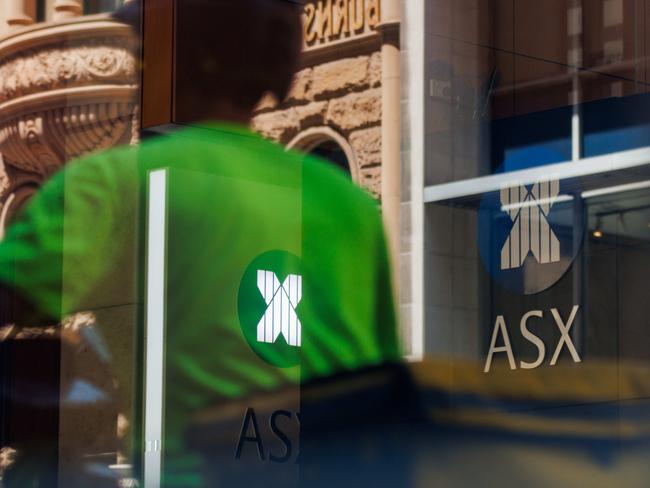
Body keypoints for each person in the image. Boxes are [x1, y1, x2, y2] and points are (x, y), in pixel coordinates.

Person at [0, 0, 403, 486]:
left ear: (182, 57)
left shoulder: (113, 182)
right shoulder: (347, 206)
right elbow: (387, 407)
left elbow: (15, 293)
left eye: (147, 50)